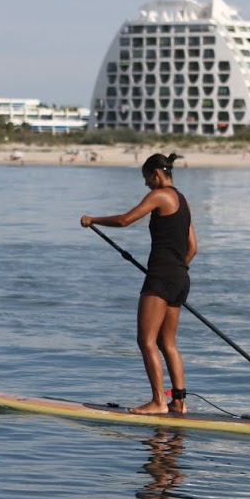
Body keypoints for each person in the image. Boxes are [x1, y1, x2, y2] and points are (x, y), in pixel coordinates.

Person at [81, 152, 197, 415]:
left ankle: (158, 402)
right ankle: (178, 402)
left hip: (161, 277)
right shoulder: (183, 200)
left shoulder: (159, 195)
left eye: (146, 178)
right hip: (180, 278)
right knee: (168, 343)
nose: (146, 184)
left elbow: (125, 220)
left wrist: (93, 220)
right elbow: (193, 247)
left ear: (156, 174)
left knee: (146, 341)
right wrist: (177, 270)